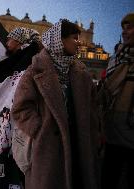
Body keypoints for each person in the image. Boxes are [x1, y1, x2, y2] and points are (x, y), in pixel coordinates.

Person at [12, 19, 101, 189]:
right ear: (59, 40)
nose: (79, 42)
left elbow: (93, 107)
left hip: (79, 145)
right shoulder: (35, 71)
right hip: (49, 150)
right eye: (74, 38)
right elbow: (20, 108)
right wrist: (40, 130)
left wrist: (94, 134)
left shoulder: (82, 73)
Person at [100, 13, 134, 189]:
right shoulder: (117, 57)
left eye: (130, 27)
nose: (125, 32)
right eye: (123, 27)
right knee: (108, 180)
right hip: (112, 133)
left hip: (130, 132)